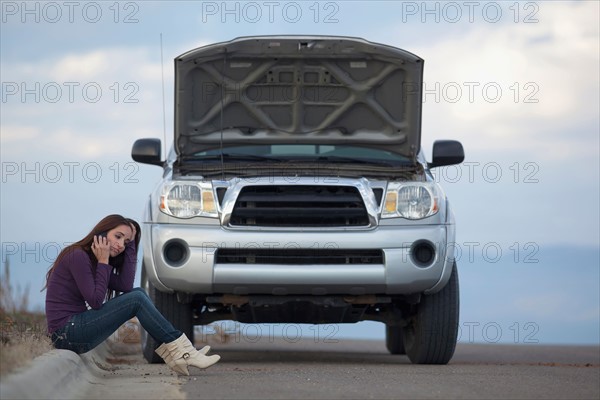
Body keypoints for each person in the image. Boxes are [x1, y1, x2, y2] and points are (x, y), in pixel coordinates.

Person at [44, 214, 219, 375]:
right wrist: (104, 260)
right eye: (118, 237)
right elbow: (96, 301)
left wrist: (132, 246)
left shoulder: (92, 261)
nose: (120, 245)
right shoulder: (77, 256)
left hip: (74, 330)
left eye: (125, 242)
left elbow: (125, 285)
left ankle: (178, 354)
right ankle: (182, 352)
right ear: (102, 233)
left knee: (137, 294)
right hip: (67, 333)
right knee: (137, 298)